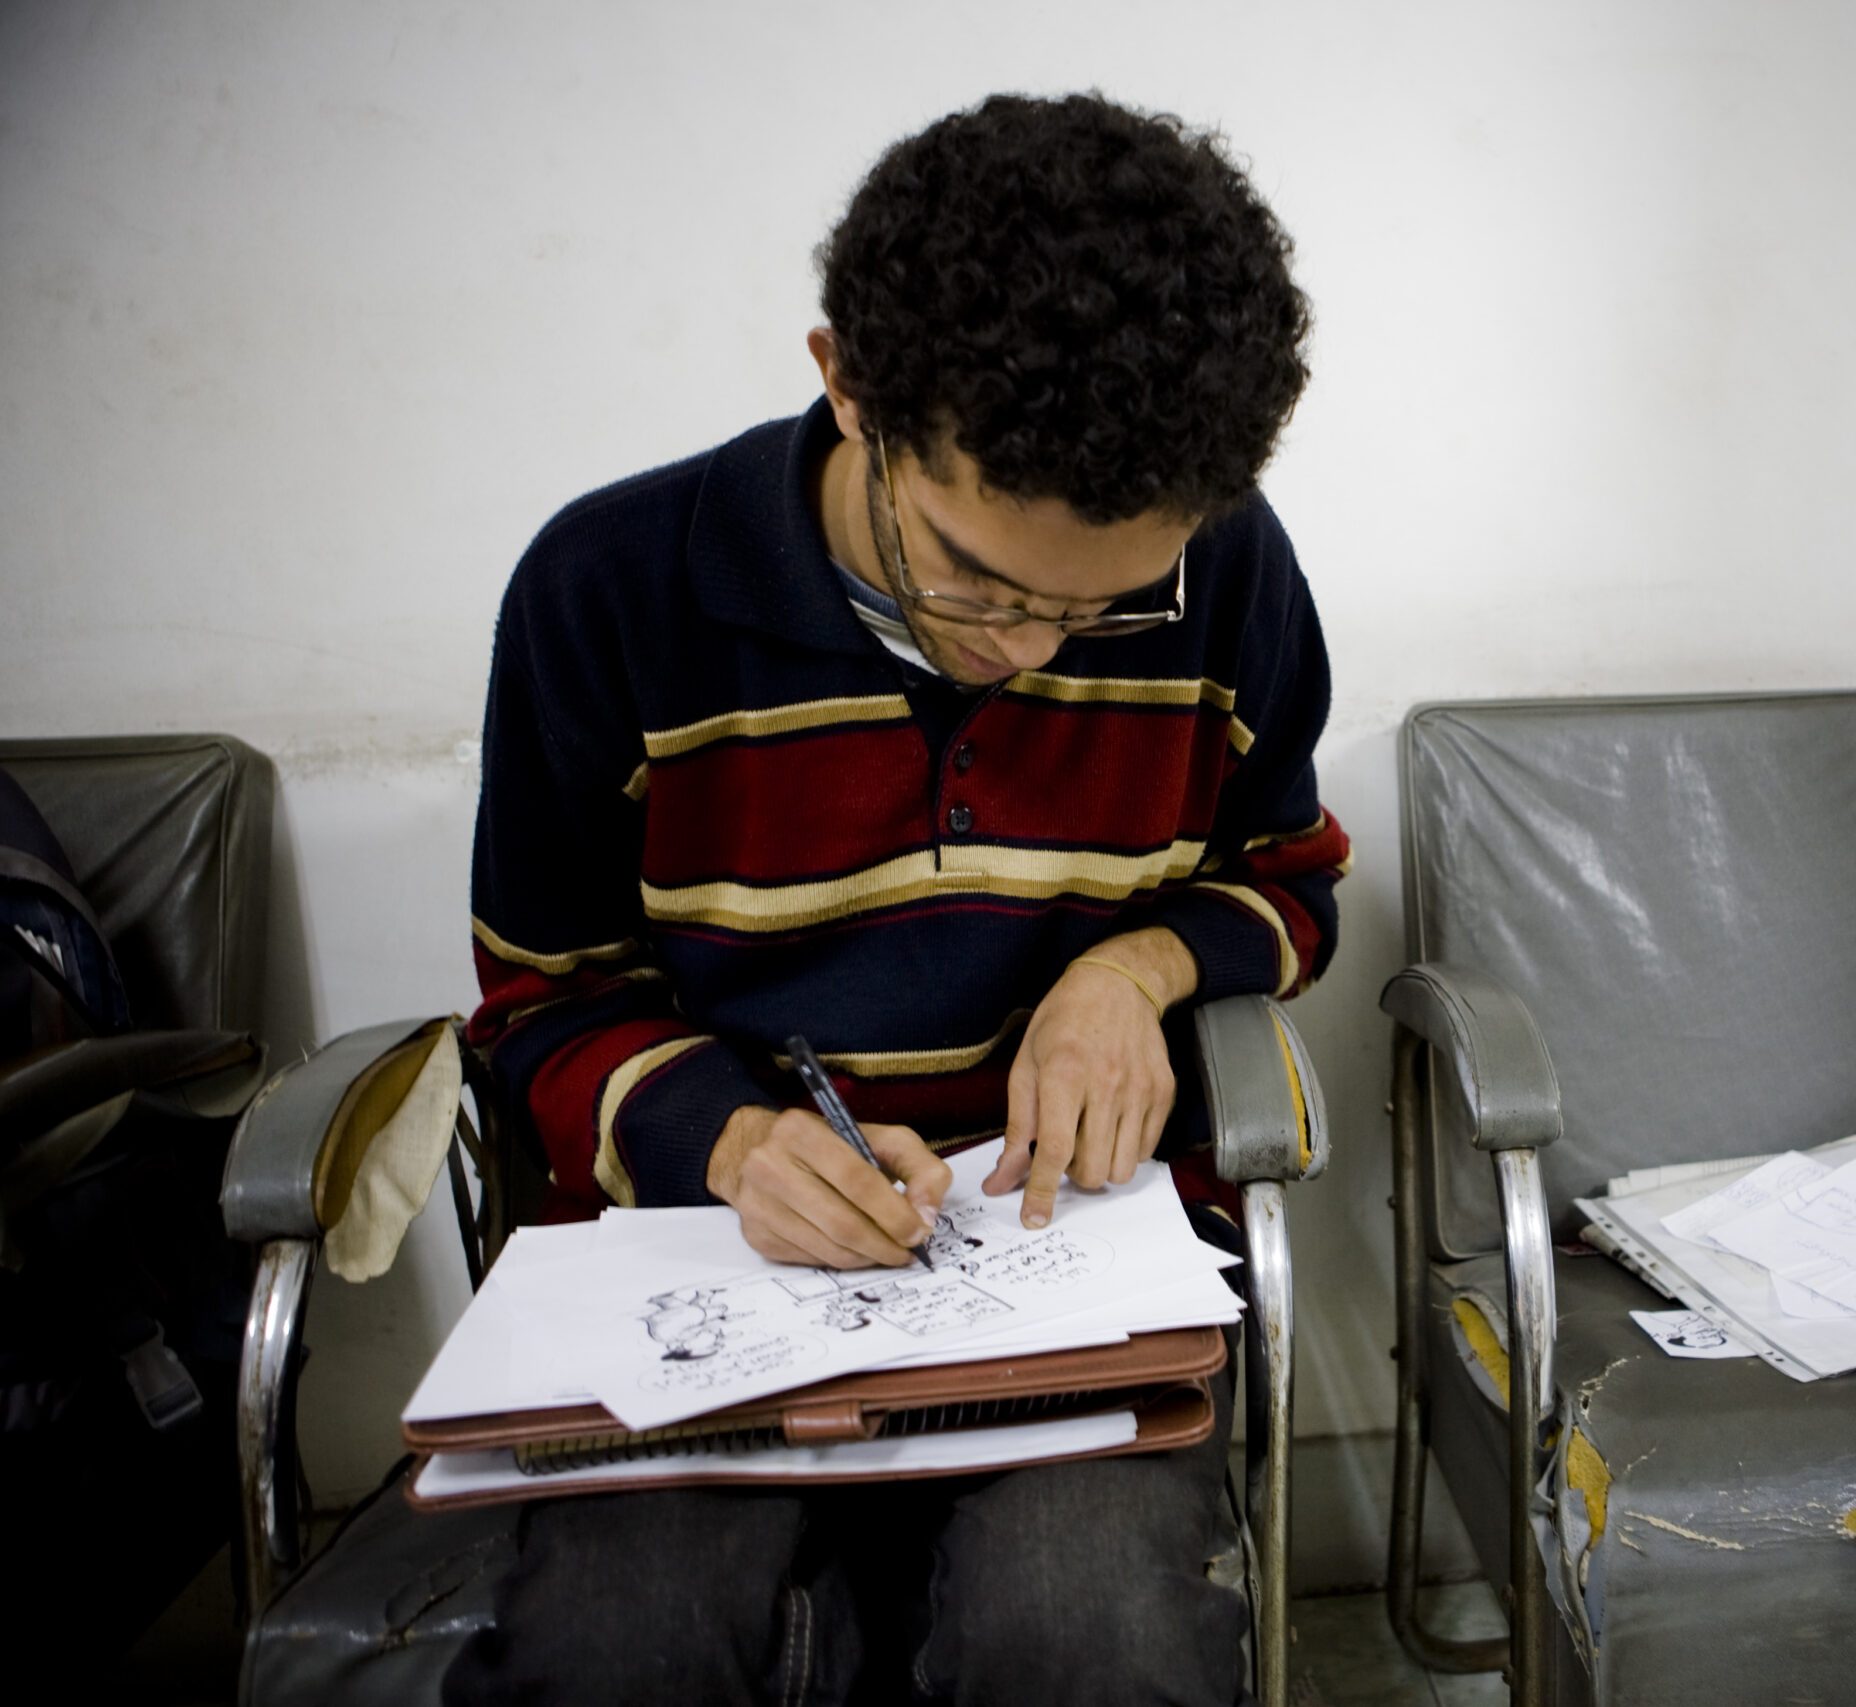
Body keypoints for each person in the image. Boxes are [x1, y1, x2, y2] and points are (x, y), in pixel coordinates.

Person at [448, 92, 1349, 1706]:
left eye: (1101, 611)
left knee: (1095, 1650)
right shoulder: (611, 591)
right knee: (617, 1660)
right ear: (846, 388)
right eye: (978, 585)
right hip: (717, 1274)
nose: (1028, 653)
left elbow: (1286, 880)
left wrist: (1131, 969)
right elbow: (543, 999)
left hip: (1073, 1283)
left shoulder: (1229, 573)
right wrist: (722, 1140)